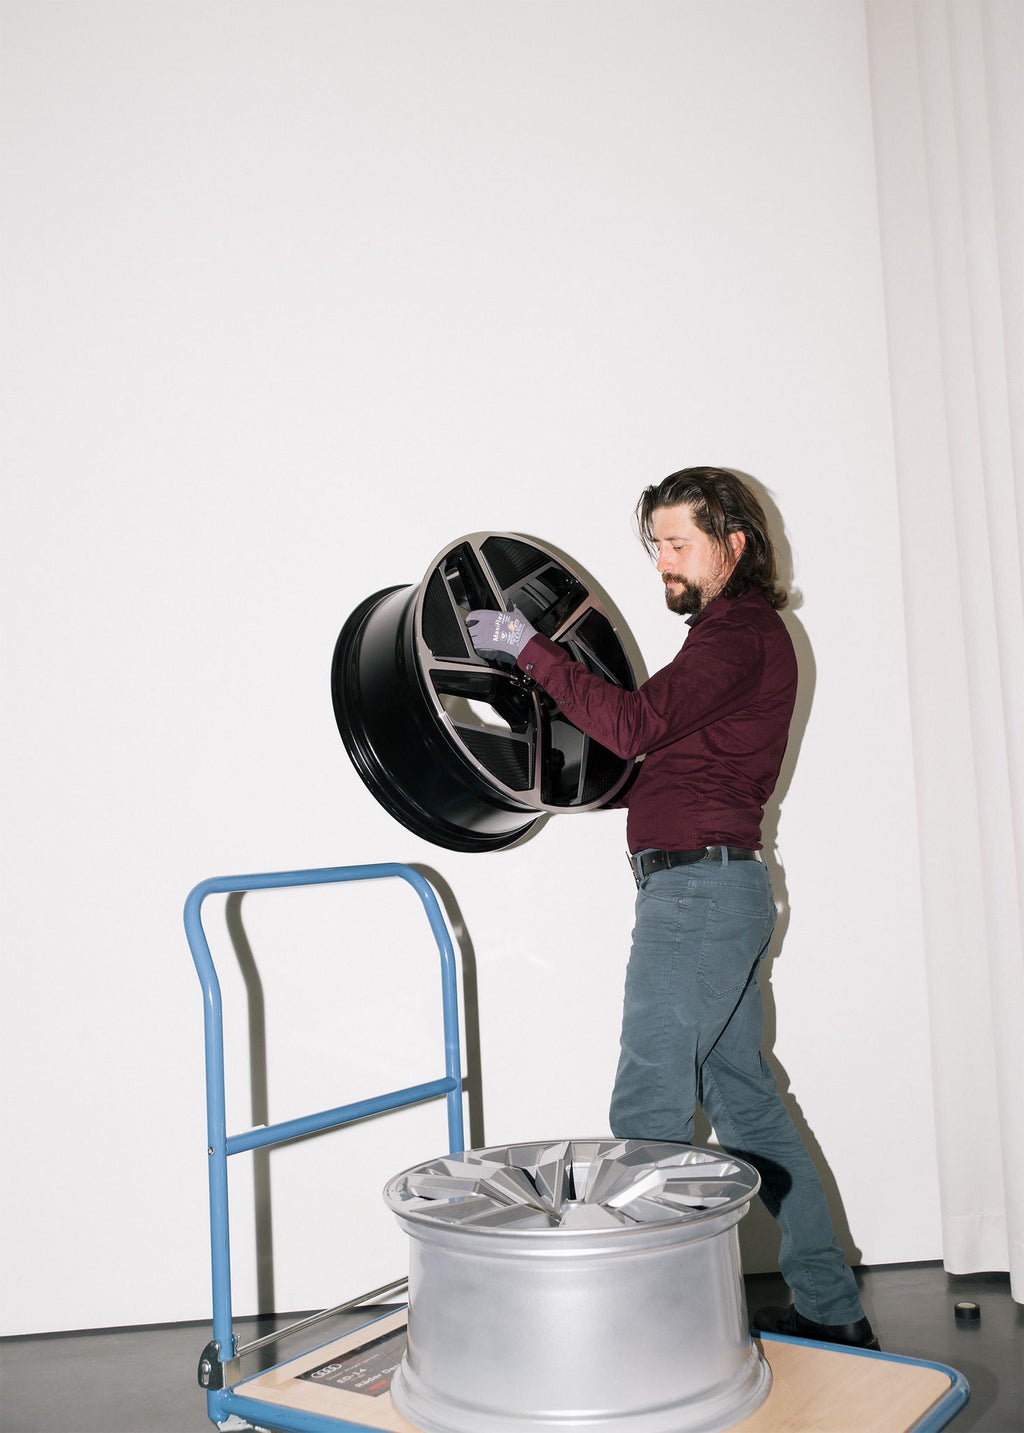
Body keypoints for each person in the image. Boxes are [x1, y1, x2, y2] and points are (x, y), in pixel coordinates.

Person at [466, 466, 877, 1350]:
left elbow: (636, 727)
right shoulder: (731, 639)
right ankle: (831, 1309)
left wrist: (528, 648)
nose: (664, 562)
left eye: (679, 543)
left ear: (734, 546)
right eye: (655, 544)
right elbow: (658, 762)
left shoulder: (737, 631)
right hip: (710, 885)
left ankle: (656, 1335)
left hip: (696, 893)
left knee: (648, 1108)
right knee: (750, 1107)